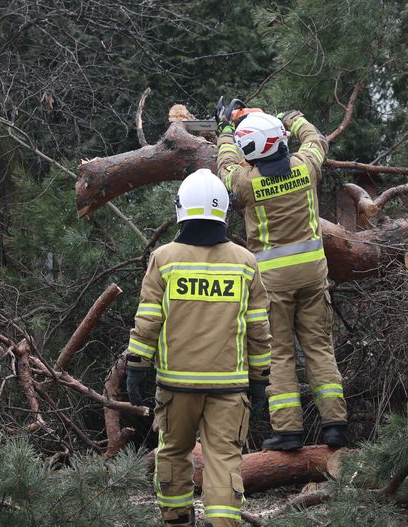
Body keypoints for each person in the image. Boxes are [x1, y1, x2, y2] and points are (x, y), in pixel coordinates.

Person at [124, 169, 273, 527]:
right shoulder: (244, 262)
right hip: (229, 387)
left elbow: (147, 320)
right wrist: (260, 377)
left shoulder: (165, 258)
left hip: (177, 387)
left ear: (181, 208)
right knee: (224, 460)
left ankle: (177, 520)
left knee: (173, 453)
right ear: (223, 210)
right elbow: (259, 329)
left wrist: (137, 366)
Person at [215, 106, 348, 451]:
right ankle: (335, 424)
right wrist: (292, 117)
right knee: (319, 346)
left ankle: (288, 431)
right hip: (313, 275)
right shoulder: (306, 167)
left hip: (272, 283)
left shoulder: (245, 182)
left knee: (280, 354)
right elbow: (316, 140)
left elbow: (226, 165)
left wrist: (227, 129)